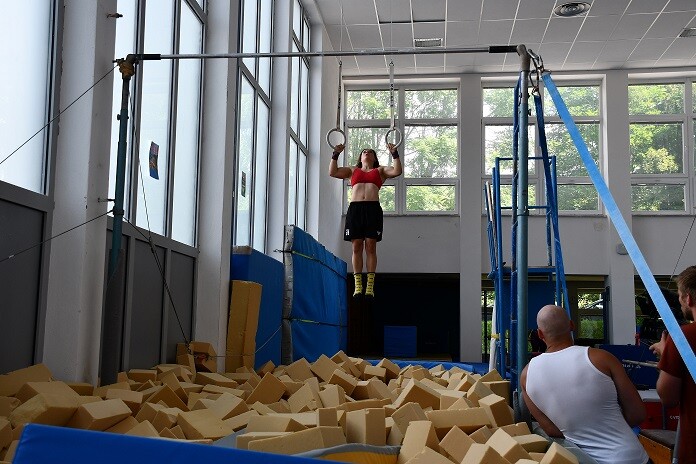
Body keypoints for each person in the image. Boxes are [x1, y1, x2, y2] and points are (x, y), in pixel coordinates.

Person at [521, 305, 649, 464]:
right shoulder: (602, 359)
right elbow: (638, 414)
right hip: (627, 458)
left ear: (540, 334)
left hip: (581, 459)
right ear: (572, 325)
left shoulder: (526, 375)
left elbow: (551, 430)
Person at [329, 142, 402, 297]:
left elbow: (397, 171)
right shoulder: (352, 170)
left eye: (370, 152)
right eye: (364, 151)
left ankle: (369, 285)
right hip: (355, 209)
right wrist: (335, 154)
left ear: (374, 158)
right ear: (360, 157)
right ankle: (358, 284)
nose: (366, 152)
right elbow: (333, 172)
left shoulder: (380, 171)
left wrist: (394, 153)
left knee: (370, 246)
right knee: (356, 246)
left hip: (373, 209)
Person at [649, 266, 696, 464]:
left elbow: (668, 397)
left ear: (688, 298)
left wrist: (666, 354)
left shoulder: (684, 338)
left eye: (679, 296)